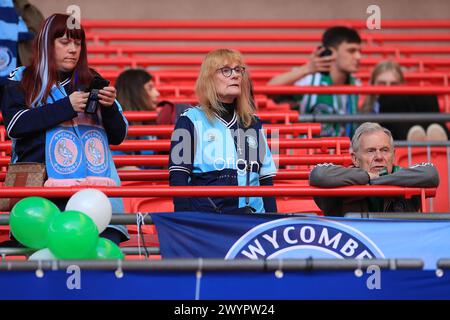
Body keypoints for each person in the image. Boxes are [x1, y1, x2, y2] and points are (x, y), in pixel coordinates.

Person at [1, 13, 129, 244]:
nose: (73, 49)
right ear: (46, 45)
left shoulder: (93, 79)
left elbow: (118, 136)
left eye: (78, 43)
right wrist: (66, 107)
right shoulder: (21, 78)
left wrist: (109, 108)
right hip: (39, 193)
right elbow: (15, 124)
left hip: (93, 195)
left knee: (98, 262)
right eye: (64, 42)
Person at [169, 48, 277, 214]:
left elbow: (265, 180)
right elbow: (178, 177)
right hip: (210, 222)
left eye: (238, 70)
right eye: (226, 70)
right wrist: (184, 222)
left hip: (254, 221)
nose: (235, 75)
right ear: (209, 79)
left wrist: (271, 222)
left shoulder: (253, 122)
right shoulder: (189, 120)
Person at [309, 122, 439, 216]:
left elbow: (431, 174)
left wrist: (379, 180)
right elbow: (319, 175)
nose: (379, 157)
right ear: (354, 159)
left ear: (393, 155)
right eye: (370, 151)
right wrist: (366, 177)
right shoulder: (340, 180)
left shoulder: (404, 176)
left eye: (385, 150)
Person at [268, 26, 362, 137]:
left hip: (345, 150)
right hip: (312, 150)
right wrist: (307, 69)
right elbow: (270, 89)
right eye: (351, 51)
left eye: (359, 51)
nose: (358, 56)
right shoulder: (309, 78)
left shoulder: (356, 83)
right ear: (331, 52)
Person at [361, 60, 448, 141]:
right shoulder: (366, 111)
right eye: (382, 84)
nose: (387, 89)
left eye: (394, 84)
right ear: (372, 84)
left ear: (402, 85)